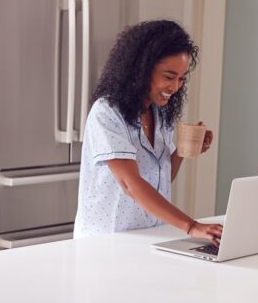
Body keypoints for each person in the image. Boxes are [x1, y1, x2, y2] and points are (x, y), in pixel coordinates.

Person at [73, 20, 222, 245]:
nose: (175, 87)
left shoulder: (160, 113)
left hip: (148, 238)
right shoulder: (106, 112)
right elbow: (130, 184)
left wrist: (182, 150)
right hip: (105, 243)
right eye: (169, 77)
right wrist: (191, 226)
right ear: (141, 70)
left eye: (181, 79)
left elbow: (160, 178)